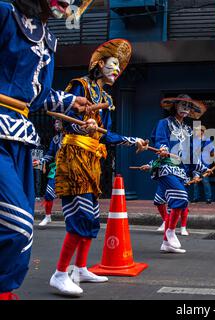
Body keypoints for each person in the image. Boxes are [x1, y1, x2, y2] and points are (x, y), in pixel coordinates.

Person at [0, 0, 92, 300]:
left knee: (21, 227)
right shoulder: (4, 12)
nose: (70, 3)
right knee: (17, 224)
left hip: (20, 138)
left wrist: (70, 101)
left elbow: (36, 94)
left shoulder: (48, 38)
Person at [49, 39, 148, 297]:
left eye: (119, 68)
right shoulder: (79, 85)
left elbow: (105, 135)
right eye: (113, 65)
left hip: (93, 159)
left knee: (92, 216)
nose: (116, 70)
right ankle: (60, 273)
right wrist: (81, 126)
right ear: (100, 64)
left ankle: (80, 268)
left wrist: (132, 140)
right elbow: (60, 121)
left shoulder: (106, 98)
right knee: (81, 216)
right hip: (73, 156)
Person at [149, 95, 212, 254]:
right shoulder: (164, 123)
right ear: (175, 106)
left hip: (182, 170)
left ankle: (166, 243)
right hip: (167, 167)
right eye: (182, 105)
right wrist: (163, 148)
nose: (186, 108)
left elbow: (191, 153)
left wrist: (201, 168)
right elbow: (159, 140)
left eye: (188, 106)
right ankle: (170, 231)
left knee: (176, 203)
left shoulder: (189, 130)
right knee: (181, 198)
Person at [33, 120, 64, 226]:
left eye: (59, 122)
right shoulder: (55, 139)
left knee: (74, 195)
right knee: (48, 194)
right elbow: (50, 154)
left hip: (72, 170)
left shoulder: (74, 136)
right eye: (55, 122)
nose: (56, 124)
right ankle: (47, 216)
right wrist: (41, 161)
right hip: (57, 169)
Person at [192, 125, 215, 204]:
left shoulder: (208, 140)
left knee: (205, 181)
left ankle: (208, 198)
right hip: (196, 164)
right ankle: (195, 198)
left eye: (200, 130)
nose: (199, 132)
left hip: (205, 164)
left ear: (203, 131)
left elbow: (212, 152)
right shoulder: (194, 141)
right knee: (195, 182)